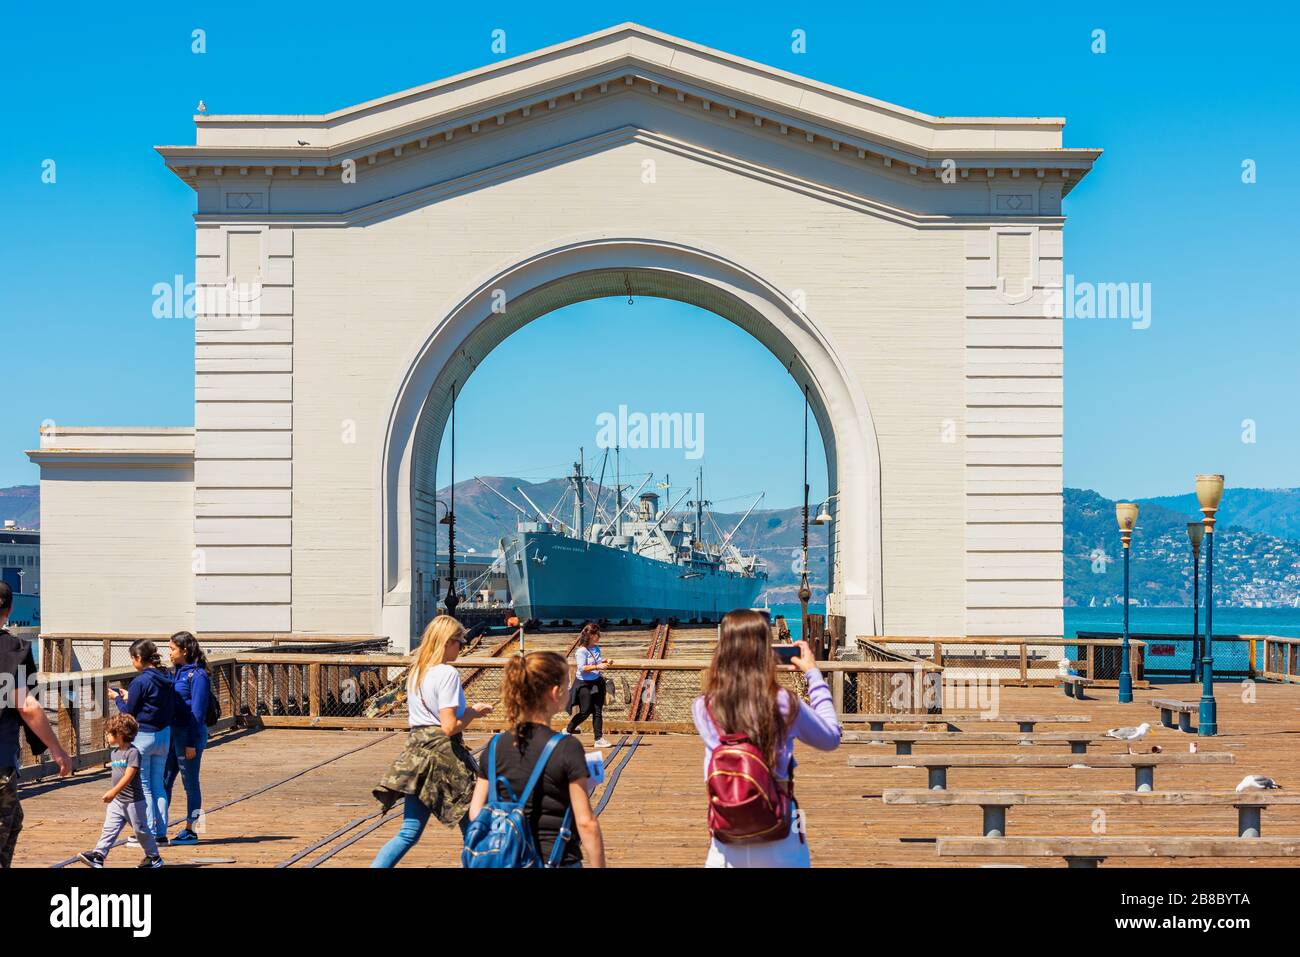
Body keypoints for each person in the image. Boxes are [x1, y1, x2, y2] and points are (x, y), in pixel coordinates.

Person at [691, 608, 841, 868]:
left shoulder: (703, 706)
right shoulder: (782, 702)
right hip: (781, 831)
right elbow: (830, 737)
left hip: (725, 834)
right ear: (766, 650)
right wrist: (813, 674)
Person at [371, 615, 493, 867]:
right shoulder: (447, 673)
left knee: (408, 832)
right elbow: (448, 727)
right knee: (474, 827)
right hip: (444, 759)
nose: (463, 647)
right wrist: (472, 712)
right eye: (460, 642)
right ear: (447, 642)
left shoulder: (417, 671)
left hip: (417, 755)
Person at [469, 650, 604, 867]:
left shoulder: (495, 747)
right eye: (567, 684)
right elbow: (586, 823)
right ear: (555, 692)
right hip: (556, 858)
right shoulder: (567, 747)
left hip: (509, 859)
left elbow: (476, 812)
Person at [0, 581, 72, 867]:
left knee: (13, 820)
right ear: (10, 608)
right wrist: (57, 750)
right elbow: (26, 705)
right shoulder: (10, 649)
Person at [108, 639, 175, 846]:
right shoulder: (167, 676)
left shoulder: (140, 681)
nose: (132, 662)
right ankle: (161, 833)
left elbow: (129, 713)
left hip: (144, 736)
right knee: (159, 786)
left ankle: (148, 833)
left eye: (133, 658)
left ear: (138, 658)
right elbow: (152, 701)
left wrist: (117, 699)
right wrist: (130, 697)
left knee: (144, 786)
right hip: (164, 735)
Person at [77, 714, 164, 868]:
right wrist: (115, 794)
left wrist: (113, 791)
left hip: (133, 802)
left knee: (141, 831)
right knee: (109, 828)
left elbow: (129, 775)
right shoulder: (114, 753)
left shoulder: (133, 752)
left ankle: (153, 857)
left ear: (120, 734)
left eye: (109, 733)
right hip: (118, 802)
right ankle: (99, 855)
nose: (106, 735)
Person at [163, 631, 211, 845]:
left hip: (189, 735)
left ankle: (193, 829)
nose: (169, 652)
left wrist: (191, 743)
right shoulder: (176, 672)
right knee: (164, 781)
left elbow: (198, 713)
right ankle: (159, 826)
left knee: (190, 783)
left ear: (184, 650)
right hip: (173, 734)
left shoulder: (198, 675)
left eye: (172, 648)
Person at [565, 622, 612, 748]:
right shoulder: (581, 651)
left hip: (597, 682)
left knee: (597, 711)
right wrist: (598, 666)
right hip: (584, 684)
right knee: (585, 712)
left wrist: (605, 661)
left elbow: (596, 661)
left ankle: (598, 739)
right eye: (596, 634)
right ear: (590, 635)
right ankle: (568, 731)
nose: (599, 636)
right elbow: (581, 668)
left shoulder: (596, 648)